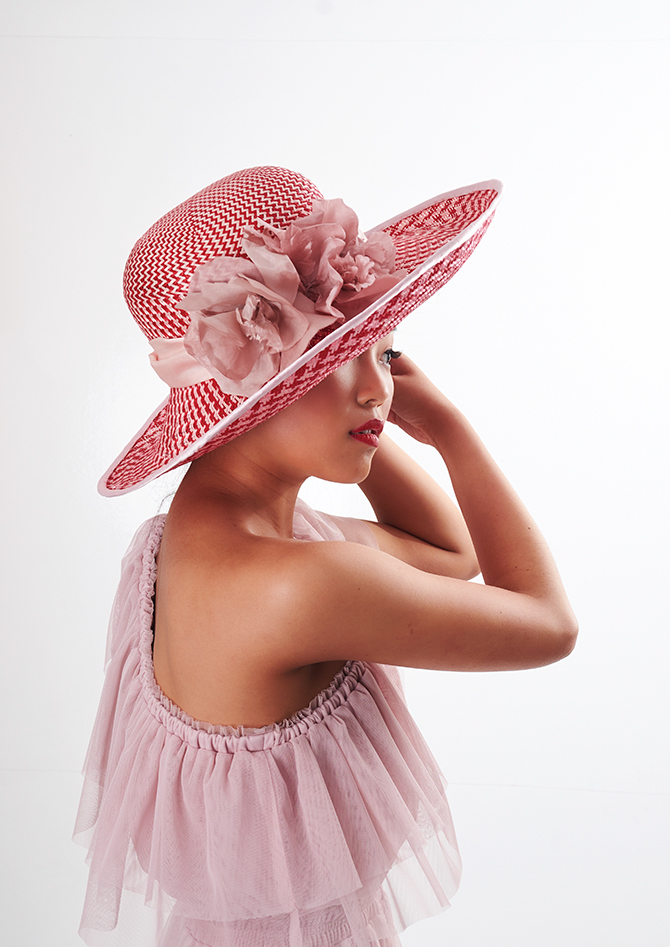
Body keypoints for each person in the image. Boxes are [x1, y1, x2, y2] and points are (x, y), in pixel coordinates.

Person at [75, 166, 577, 947]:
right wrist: (451, 433)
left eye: (387, 350)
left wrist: (362, 399)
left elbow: (449, 554)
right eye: (336, 358)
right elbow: (548, 623)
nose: (381, 389)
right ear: (249, 391)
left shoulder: (187, 544)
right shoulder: (298, 585)